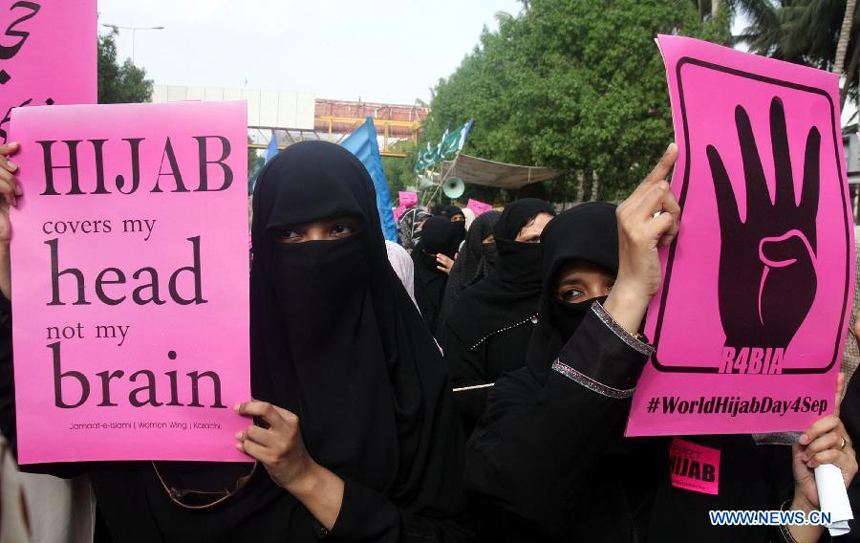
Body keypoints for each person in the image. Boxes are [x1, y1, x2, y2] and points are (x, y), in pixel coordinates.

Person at [0, 141, 471, 543]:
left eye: (339, 230)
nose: (315, 250)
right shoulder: (196, 353)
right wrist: (11, 256)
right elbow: (58, 434)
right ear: (263, 245)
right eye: (289, 234)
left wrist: (306, 478)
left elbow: (444, 532)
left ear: (368, 236)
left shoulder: (411, 376)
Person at [465, 144, 857, 543]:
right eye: (573, 294)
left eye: (615, 283)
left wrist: (806, 509)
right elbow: (517, 499)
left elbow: (744, 524)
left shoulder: (709, 412)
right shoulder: (519, 401)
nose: (602, 307)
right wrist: (628, 294)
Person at [438, 199, 555, 433]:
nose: (542, 249)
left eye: (550, 240)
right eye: (531, 240)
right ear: (507, 244)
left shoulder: (569, 298)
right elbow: (461, 395)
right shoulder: (473, 308)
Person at [436, 210, 502, 336]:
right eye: (492, 241)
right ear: (476, 243)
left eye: (503, 240)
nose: (498, 247)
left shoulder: (516, 278)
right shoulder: (459, 280)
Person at [412, 217, 462, 334]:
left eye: (441, 253)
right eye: (430, 253)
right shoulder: (409, 269)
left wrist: (456, 275)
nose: (435, 258)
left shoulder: (461, 271)